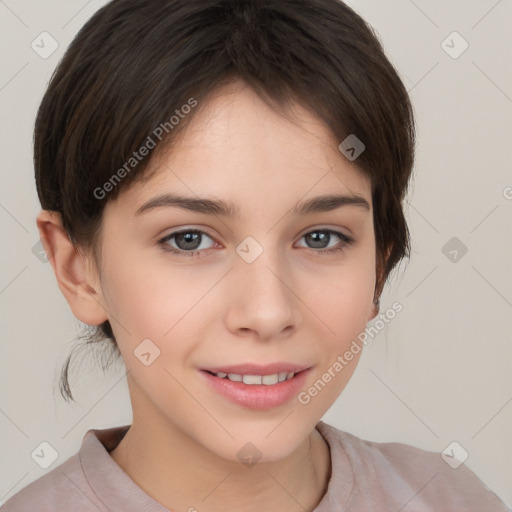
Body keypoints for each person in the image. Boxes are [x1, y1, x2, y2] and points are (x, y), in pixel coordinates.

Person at [1, 0, 510, 511]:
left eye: (320, 238)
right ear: (77, 270)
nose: (267, 313)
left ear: (379, 266)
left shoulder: (450, 499)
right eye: (189, 239)